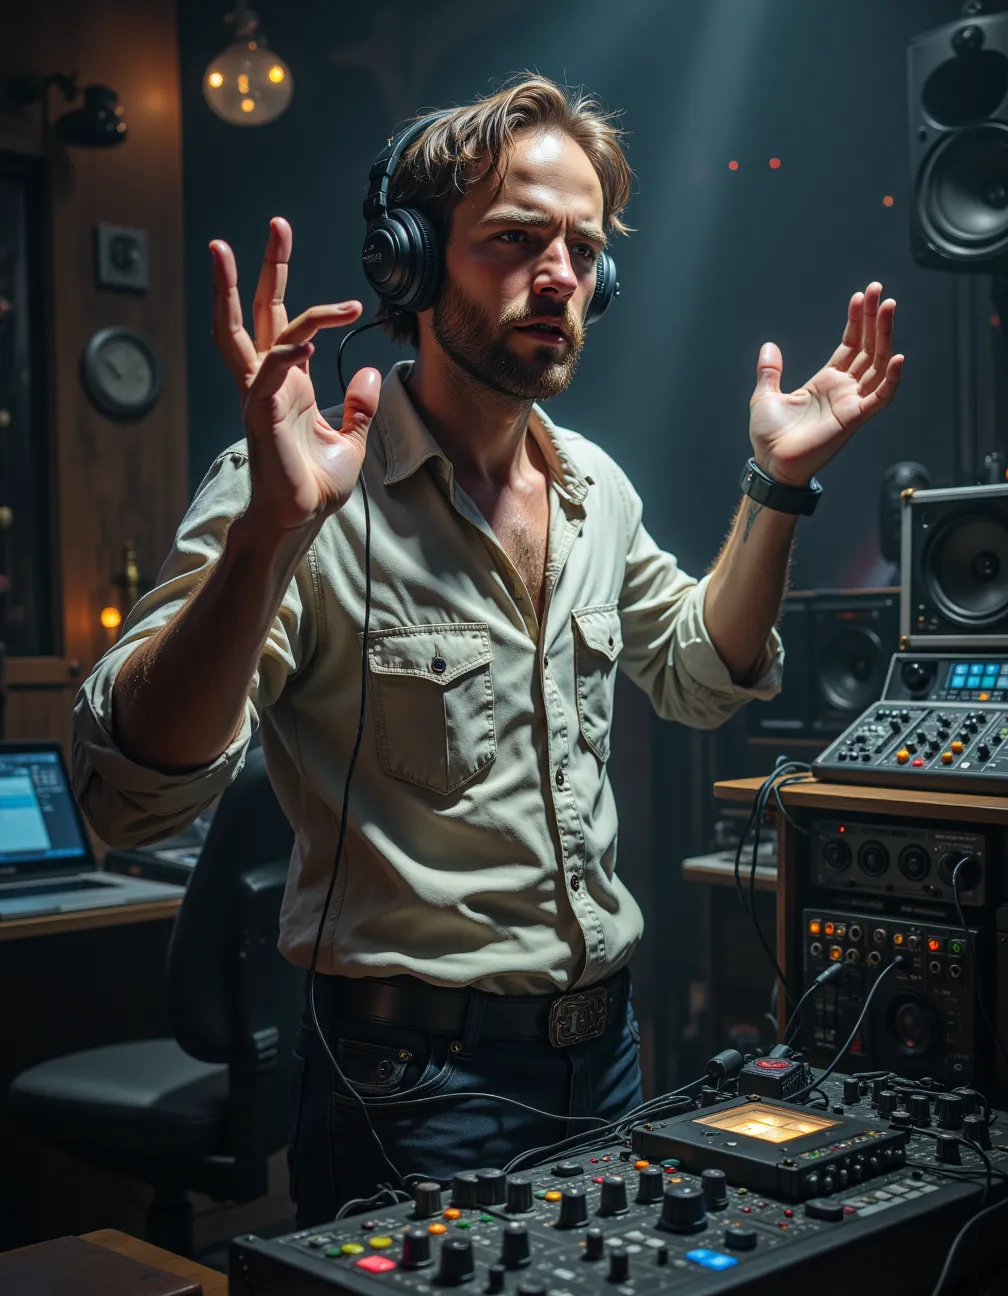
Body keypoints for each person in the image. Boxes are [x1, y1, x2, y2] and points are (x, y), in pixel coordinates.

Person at [71, 76, 903, 1227]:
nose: (559, 275)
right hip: (407, 1082)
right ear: (407, 263)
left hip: (609, 1052)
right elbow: (128, 796)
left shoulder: (594, 489)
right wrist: (270, 532)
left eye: (582, 248)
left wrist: (778, 485)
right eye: (515, 240)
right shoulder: (305, 487)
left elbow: (704, 674)